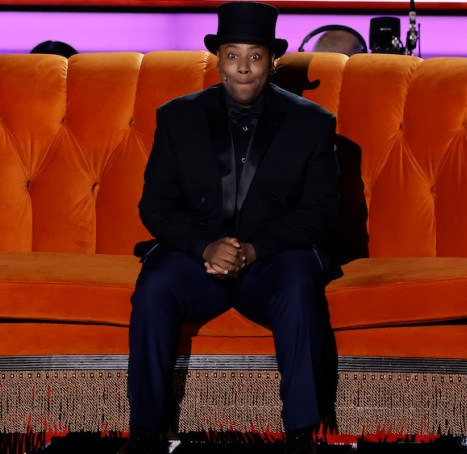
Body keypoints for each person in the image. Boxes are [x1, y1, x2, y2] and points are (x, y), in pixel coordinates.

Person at [122, 2, 341, 454]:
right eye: (232, 55)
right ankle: (145, 433)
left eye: (255, 56)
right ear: (217, 60)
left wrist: (255, 251)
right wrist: (205, 247)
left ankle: (302, 435)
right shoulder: (176, 117)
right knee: (154, 285)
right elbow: (155, 205)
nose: (243, 68)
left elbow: (320, 213)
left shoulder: (313, 124)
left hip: (273, 261)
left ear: (273, 62)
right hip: (196, 259)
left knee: (300, 283)